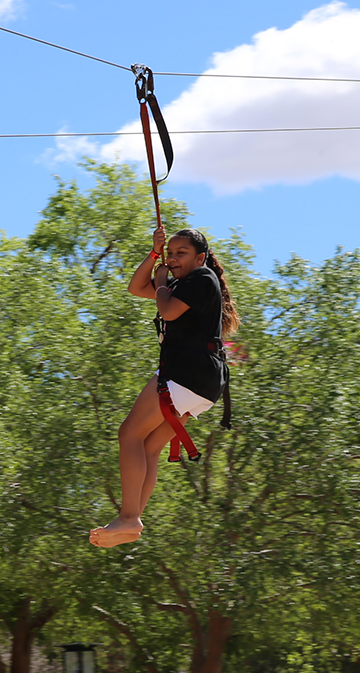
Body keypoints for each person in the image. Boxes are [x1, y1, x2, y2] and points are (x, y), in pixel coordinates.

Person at [90, 227, 239, 548]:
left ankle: (129, 516)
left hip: (188, 372)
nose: (173, 259)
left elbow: (167, 309)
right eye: (170, 253)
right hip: (203, 381)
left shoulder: (202, 278)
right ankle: (131, 522)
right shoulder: (183, 284)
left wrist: (161, 283)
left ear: (200, 258)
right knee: (149, 446)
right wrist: (154, 255)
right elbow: (135, 287)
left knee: (129, 434)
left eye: (180, 253)